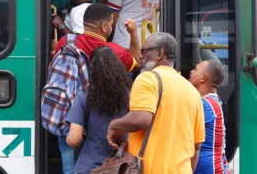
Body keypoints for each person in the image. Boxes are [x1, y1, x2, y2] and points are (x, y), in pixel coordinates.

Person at [107, 32, 206, 173]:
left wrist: (114, 124)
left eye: (145, 51)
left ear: (160, 53)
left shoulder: (147, 79)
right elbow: (196, 147)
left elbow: (140, 120)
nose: (141, 56)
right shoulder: (192, 91)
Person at [65, 46, 131, 174]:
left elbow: (73, 140)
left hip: (90, 167)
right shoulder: (131, 96)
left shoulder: (84, 96)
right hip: (122, 166)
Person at [54, 3, 141, 73]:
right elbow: (137, 62)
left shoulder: (66, 42)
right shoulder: (116, 52)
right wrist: (133, 33)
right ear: (104, 27)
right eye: (111, 24)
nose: (112, 27)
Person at [189, 60, 231, 174]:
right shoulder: (213, 101)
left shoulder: (205, 104)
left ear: (204, 78)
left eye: (196, 69)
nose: (191, 71)